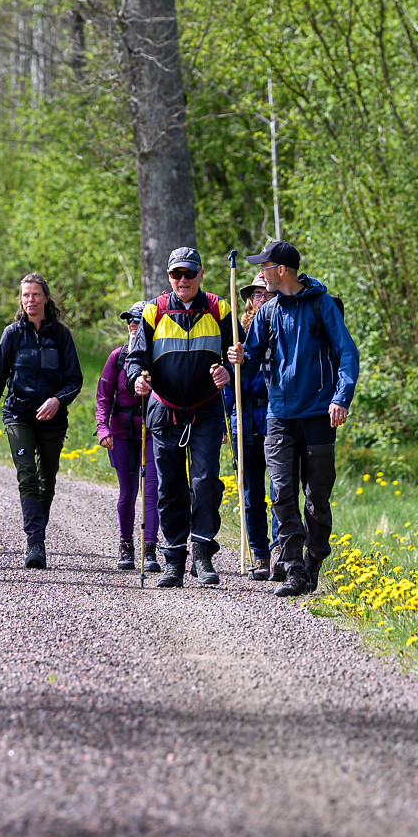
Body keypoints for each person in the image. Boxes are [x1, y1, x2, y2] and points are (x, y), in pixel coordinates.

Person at [227, 240, 358, 598]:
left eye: (265, 267)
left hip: (318, 415)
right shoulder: (269, 312)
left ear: (281, 270)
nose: (262, 273)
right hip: (279, 416)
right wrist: (240, 357)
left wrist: (341, 398)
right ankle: (294, 567)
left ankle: (314, 560)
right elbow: (251, 357)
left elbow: (348, 354)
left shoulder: (322, 305)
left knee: (316, 498)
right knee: (282, 492)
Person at [124, 247, 233, 588]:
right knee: (170, 487)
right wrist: (137, 378)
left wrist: (229, 371)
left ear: (201, 275)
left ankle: (202, 553)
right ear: (169, 277)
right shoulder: (154, 310)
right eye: (176, 274)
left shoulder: (219, 308)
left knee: (205, 482)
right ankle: (173, 560)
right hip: (165, 410)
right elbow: (135, 358)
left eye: (189, 273)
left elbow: (239, 356)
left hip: (206, 410)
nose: (183, 280)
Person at [0, 273, 83, 570]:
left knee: (47, 481)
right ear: (20, 300)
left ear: (46, 298)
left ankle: (37, 534)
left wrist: (57, 400)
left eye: (36, 294)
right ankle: (35, 542)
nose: (30, 300)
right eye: (25, 295)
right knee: (27, 476)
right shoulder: (12, 334)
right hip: (18, 415)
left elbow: (75, 380)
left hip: (53, 419)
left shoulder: (61, 335)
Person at [96, 303, 158, 572]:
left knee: (152, 490)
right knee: (128, 492)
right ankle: (126, 544)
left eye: (138, 321)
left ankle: (150, 548)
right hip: (121, 431)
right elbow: (103, 396)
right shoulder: (117, 357)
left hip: (153, 430)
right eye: (130, 321)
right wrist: (103, 429)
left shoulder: (158, 356)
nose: (133, 325)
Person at [223, 273, 275, 580]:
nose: (262, 300)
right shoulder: (237, 335)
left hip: (275, 416)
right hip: (244, 419)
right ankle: (260, 554)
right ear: (249, 300)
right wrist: (229, 416)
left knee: (280, 490)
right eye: (257, 295)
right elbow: (227, 383)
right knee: (252, 493)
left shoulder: (282, 329)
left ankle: (282, 549)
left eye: (268, 294)